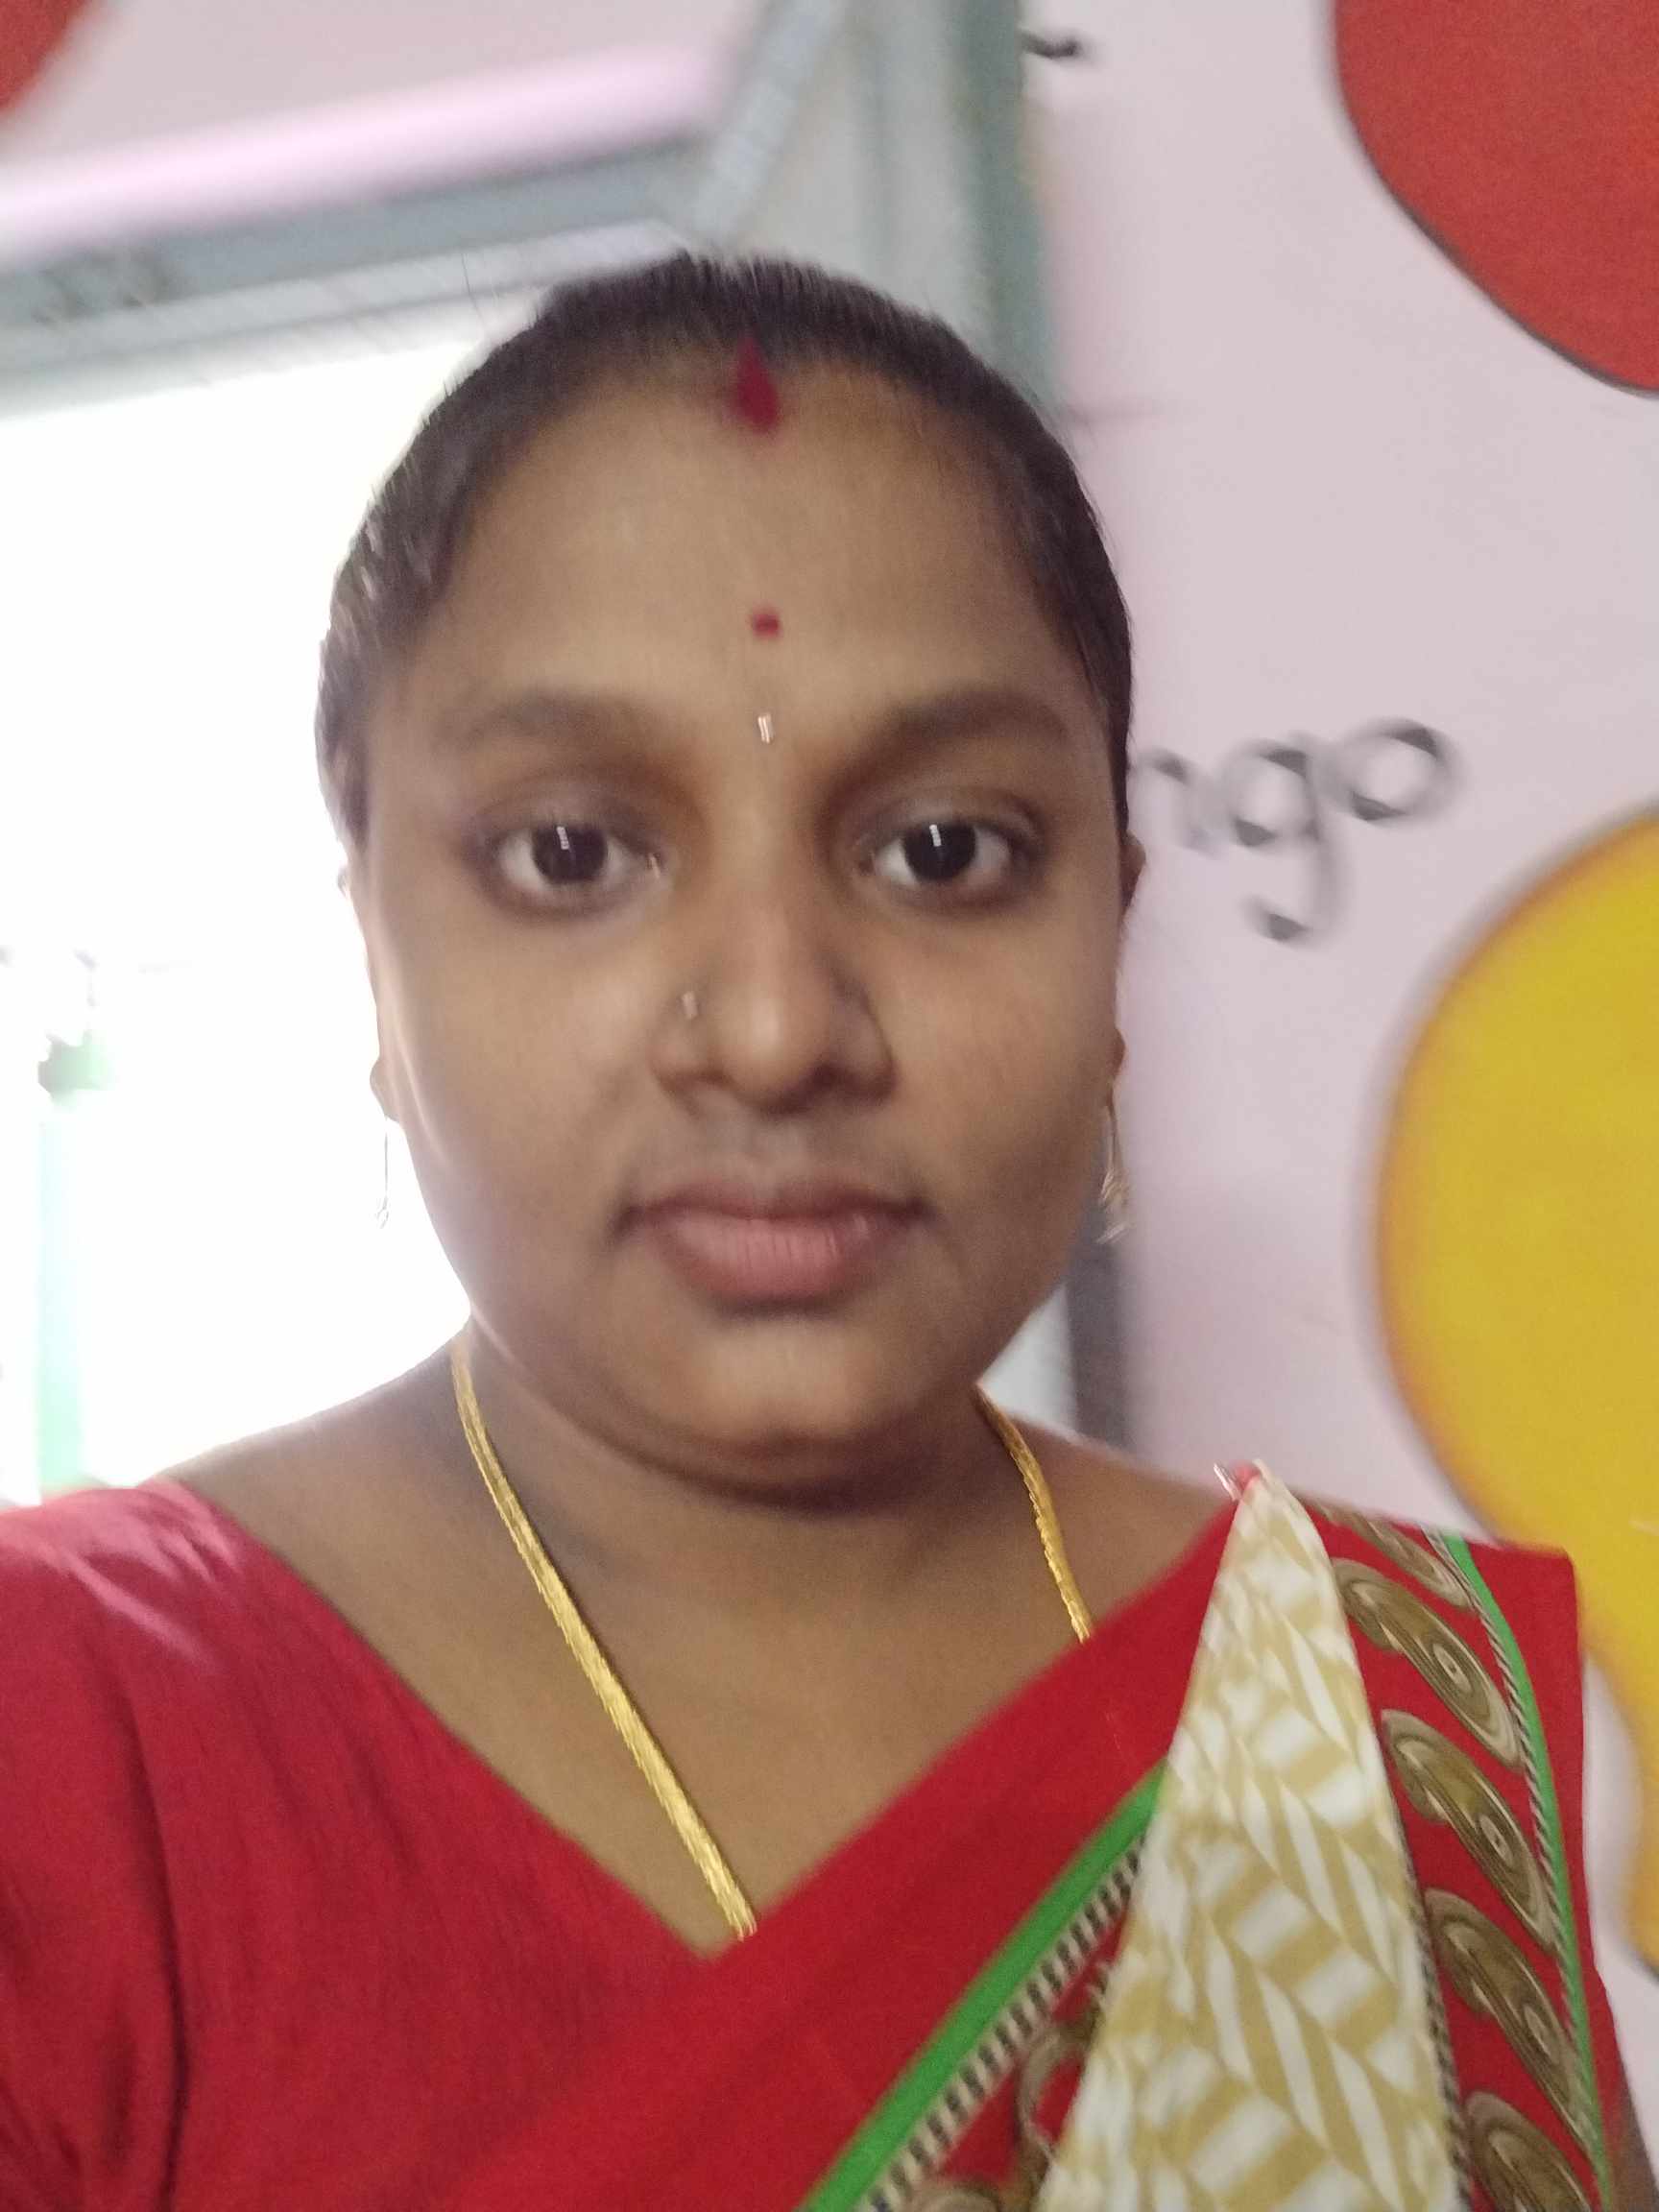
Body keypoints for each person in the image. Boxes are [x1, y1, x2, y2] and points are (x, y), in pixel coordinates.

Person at [0, 254, 1649, 2211]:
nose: (778, 1029)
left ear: (1115, 932)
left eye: (946, 852)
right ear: (374, 940)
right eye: (572, 853)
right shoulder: (67, 1741)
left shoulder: (1382, 1719)